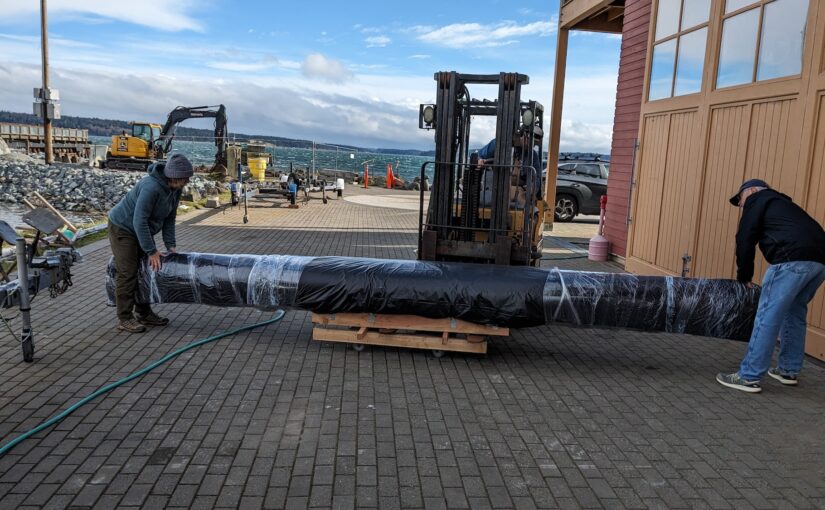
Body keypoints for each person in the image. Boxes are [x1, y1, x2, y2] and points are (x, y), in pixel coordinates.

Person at [716, 179, 825, 393]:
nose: (740, 205)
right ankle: (788, 370)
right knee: (794, 313)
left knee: (767, 316)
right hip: (819, 263)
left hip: (790, 261)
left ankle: (748, 376)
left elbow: (744, 240)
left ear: (753, 190)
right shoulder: (785, 206)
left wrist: (744, 276)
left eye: (740, 199)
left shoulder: (757, 200)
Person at [107, 154, 194, 333]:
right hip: (123, 228)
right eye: (185, 178)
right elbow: (140, 221)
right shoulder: (151, 187)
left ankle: (144, 313)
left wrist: (171, 245)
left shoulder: (176, 189)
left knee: (144, 270)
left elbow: (170, 218)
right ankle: (125, 318)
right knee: (128, 272)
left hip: (140, 229)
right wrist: (151, 250)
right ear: (174, 176)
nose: (187, 182)